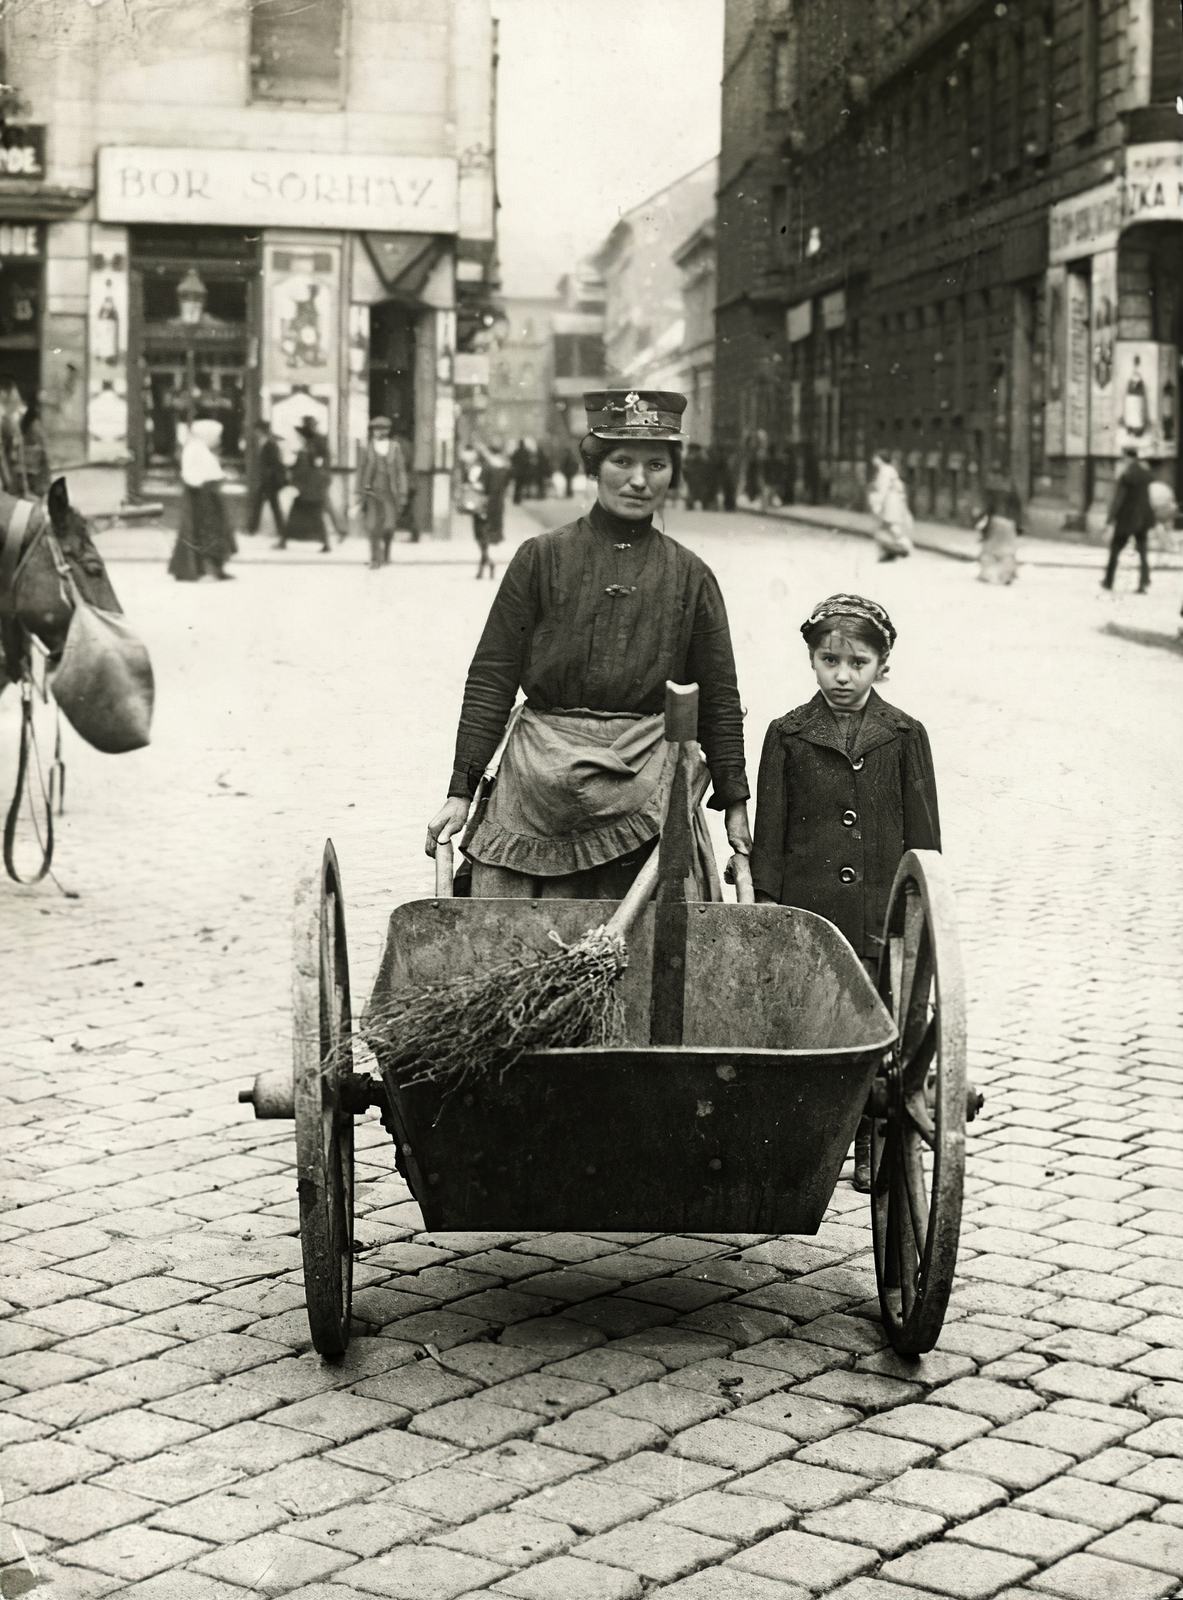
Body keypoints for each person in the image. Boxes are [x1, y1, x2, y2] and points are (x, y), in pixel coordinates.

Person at [425, 388, 752, 901]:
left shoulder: (691, 576)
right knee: (510, 933)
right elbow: (492, 678)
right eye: (622, 460)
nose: (640, 480)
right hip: (537, 789)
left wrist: (735, 802)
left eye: (656, 464)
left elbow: (718, 696)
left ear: (673, 473)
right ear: (594, 467)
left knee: (666, 946)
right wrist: (460, 791)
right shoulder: (539, 559)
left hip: (649, 787)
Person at [751, 594, 940, 1191]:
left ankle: (867, 1138)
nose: (842, 675)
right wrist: (768, 906)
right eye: (829, 660)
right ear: (811, 659)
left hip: (878, 917)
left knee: (872, 1029)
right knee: (811, 1023)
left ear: (882, 663)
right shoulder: (787, 734)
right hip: (813, 917)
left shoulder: (905, 735)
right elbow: (771, 838)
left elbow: (925, 843)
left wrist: (918, 909)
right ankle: (806, 1141)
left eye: (858, 662)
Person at [168, 419, 237, 581]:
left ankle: (213, 568)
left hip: (208, 496)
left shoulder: (200, 448)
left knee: (214, 533)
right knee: (206, 532)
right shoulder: (195, 449)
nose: (219, 440)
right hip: (202, 498)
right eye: (216, 436)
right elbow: (191, 475)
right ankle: (200, 569)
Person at [355, 415, 409, 569]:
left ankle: (386, 554)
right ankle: (375, 559)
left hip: (390, 493)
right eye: (375, 429)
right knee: (372, 527)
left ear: (387, 431)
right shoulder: (367, 448)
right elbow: (361, 470)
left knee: (388, 526)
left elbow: (400, 472)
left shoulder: (395, 448)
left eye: (381, 429)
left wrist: (403, 492)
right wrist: (359, 491)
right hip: (372, 493)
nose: (378, 432)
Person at [1102, 443, 1156, 595]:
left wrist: (1110, 519)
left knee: (1115, 548)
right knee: (1142, 551)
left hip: (1127, 518)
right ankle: (1144, 583)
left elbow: (1118, 499)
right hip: (1144, 518)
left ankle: (1108, 581)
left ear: (1127, 456)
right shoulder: (1145, 472)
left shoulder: (1126, 474)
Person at [282, 417, 333, 553]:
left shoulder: (309, 449)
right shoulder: (311, 447)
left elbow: (303, 469)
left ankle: (284, 541)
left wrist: (294, 479)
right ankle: (284, 541)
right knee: (310, 516)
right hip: (311, 489)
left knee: (310, 515)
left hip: (309, 489)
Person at [468, 436, 511, 579]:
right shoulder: (504, 467)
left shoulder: (486, 468)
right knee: (488, 533)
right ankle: (482, 567)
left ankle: (487, 562)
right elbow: (505, 486)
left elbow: (481, 486)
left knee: (480, 534)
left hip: (483, 504)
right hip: (497, 506)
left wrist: (472, 485)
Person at [867, 451, 914, 561]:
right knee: (886, 527)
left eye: (876, 457)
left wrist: (877, 505)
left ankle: (902, 547)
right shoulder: (887, 470)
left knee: (888, 526)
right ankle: (889, 552)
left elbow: (883, 489)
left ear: (880, 459)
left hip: (890, 502)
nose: (873, 460)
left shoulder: (885, 471)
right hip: (891, 501)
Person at [976, 478, 1021, 585]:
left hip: (996, 521)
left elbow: (988, 511)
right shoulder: (1013, 494)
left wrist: (983, 527)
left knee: (989, 550)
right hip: (1010, 523)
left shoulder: (993, 493)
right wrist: (1017, 526)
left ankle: (986, 574)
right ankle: (1006, 574)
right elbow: (1018, 510)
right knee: (1007, 551)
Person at [246, 419, 286, 538]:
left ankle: (254, 529)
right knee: (263, 504)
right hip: (267, 480)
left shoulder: (270, 443)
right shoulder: (266, 442)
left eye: (256, 431)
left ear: (260, 431)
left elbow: (274, 462)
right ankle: (253, 529)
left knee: (270, 505)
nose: (255, 433)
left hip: (270, 481)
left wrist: (266, 476)